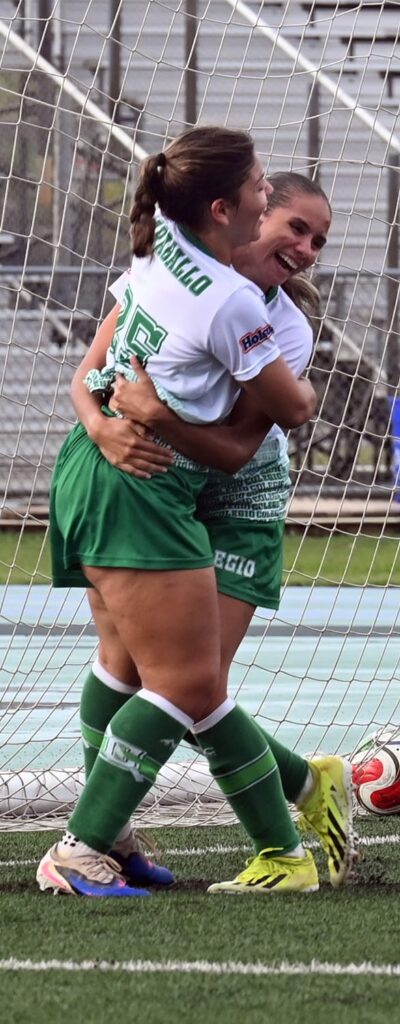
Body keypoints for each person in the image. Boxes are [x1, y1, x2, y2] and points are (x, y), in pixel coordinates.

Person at [37, 129, 350, 897]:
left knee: (176, 680)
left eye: (318, 239)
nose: (306, 248)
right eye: (292, 225)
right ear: (244, 212)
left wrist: (137, 417)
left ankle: (121, 837)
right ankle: (292, 814)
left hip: (223, 493)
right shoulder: (216, 287)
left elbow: (243, 450)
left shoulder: (200, 268)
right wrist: (109, 421)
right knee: (177, 682)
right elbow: (93, 369)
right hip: (139, 473)